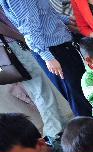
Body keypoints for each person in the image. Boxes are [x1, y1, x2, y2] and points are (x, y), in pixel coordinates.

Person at [0, 0, 92, 117]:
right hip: (54, 50)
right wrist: (47, 56)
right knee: (78, 96)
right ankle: (92, 132)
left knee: (83, 92)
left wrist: (66, 19)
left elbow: (43, 15)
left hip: (60, 46)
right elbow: (29, 26)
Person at [0, 10, 72, 139]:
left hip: (13, 46)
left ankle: (59, 127)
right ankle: (53, 132)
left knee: (39, 90)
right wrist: (22, 37)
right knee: (40, 90)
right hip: (14, 46)